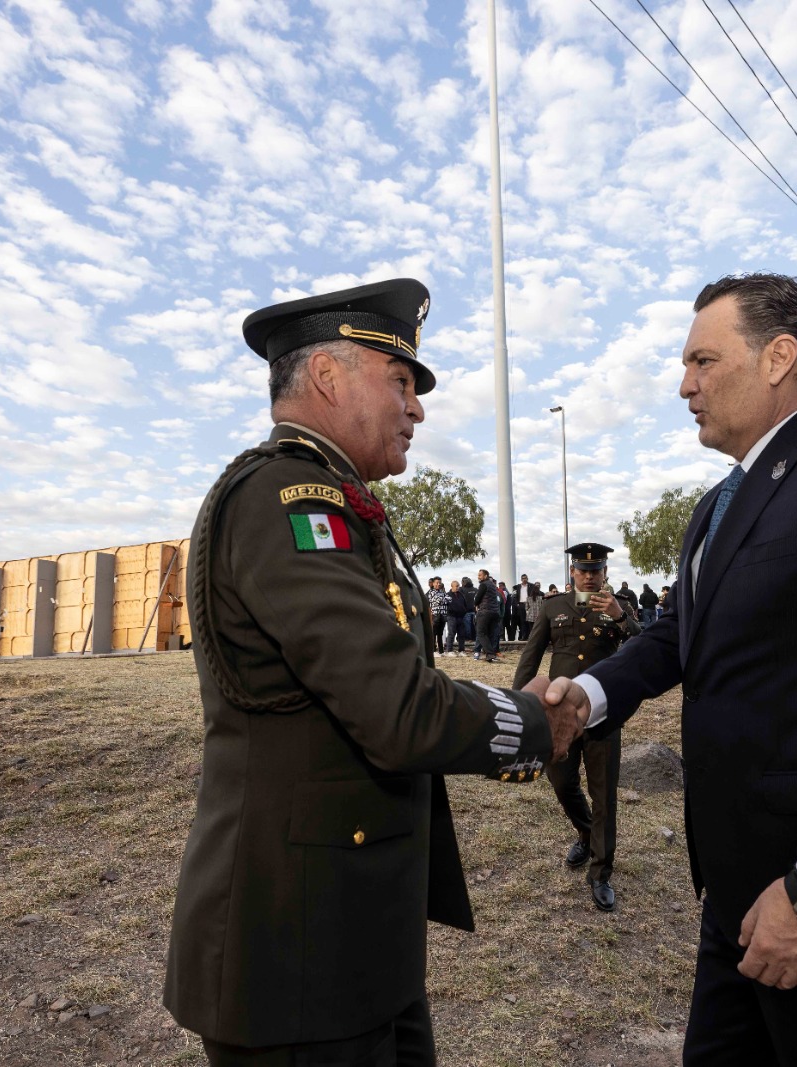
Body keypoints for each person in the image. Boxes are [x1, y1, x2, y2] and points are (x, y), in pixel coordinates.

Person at [539, 273, 797, 1065]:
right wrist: (587, 694)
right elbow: (679, 636)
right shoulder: (716, 506)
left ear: (779, 357)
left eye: (703, 360)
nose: (684, 385)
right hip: (734, 899)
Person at [162, 277, 576, 1065]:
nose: (416, 406)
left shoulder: (333, 499)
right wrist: (532, 724)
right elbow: (395, 707)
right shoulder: (286, 496)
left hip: (349, 941)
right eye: (400, 381)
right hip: (297, 964)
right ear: (326, 376)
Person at [513, 543, 641, 911]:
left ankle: (601, 873)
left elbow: (643, 646)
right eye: (583, 570)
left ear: (604, 572)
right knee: (561, 782)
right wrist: (520, 702)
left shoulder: (619, 608)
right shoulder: (553, 608)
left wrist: (620, 617)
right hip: (559, 714)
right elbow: (531, 654)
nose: (589, 575)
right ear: (572, 572)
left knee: (604, 795)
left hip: (602, 713)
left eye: (596, 569)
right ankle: (585, 833)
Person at [473, 567, 502, 662]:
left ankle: (490, 654)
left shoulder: (483, 585)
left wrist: (476, 604)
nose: (479, 577)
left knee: (481, 633)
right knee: (491, 634)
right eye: (478, 575)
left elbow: (477, 598)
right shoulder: (493, 585)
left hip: (485, 612)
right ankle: (491, 654)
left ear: (485, 576)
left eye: (480, 575)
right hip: (495, 612)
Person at [446, 577, 471, 655]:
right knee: (451, 633)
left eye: (458, 586)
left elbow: (465, 605)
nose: (457, 587)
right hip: (451, 617)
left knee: (461, 634)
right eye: (456, 586)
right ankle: (449, 650)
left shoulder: (461, 595)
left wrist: (464, 612)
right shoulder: (447, 595)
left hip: (461, 617)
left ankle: (461, 650)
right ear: (452, 586)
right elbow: (446, 606)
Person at [425, 576, 449, 655]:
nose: (438, 584)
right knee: (433, 633)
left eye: (439, 583)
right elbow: (435, 600)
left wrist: (442, 599)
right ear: (433, 583)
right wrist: (443, 599)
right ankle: (433, 651)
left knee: (440, 633)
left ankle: (441, 651)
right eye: (437, 583)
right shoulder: (430, 592)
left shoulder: (442, 592)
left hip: (443, 615)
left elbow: (449, 599)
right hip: (434, 615)